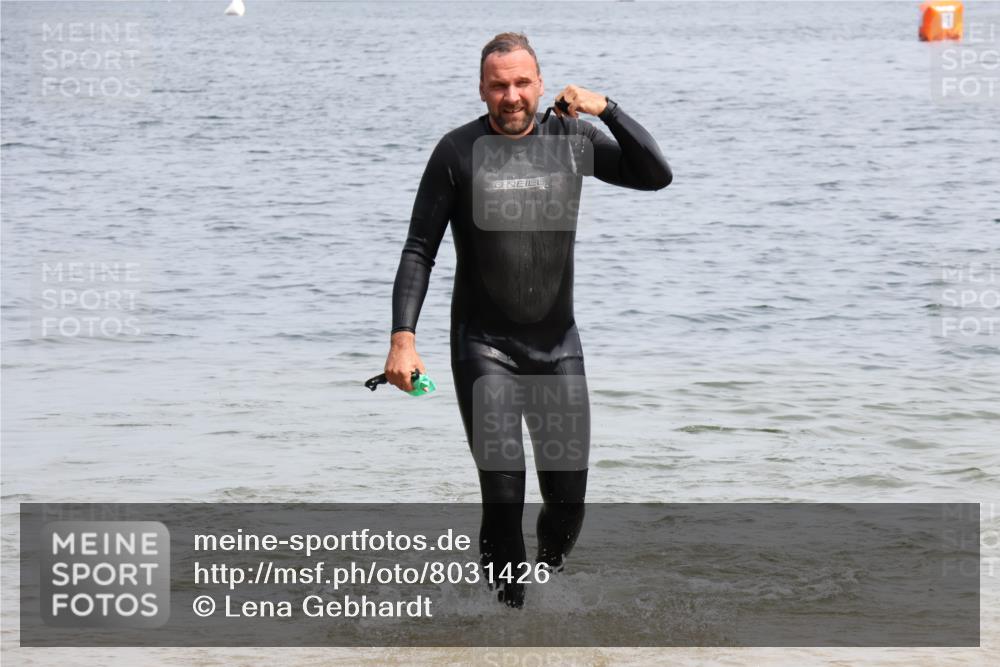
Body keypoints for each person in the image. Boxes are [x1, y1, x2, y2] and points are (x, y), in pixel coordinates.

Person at [384, 32, 671, 607]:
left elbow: (654, 174)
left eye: (521, 83)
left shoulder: (571, 139)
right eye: (498, 85)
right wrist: (402, 341)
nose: (511, 96)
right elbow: (420, 249)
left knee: (568, 501)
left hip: (557, 345)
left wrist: (606, 109)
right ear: (482, 89)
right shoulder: (456, 152)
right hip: (483, 347)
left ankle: (542, 593)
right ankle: (507, 625)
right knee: (504, 492)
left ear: (540, 85)